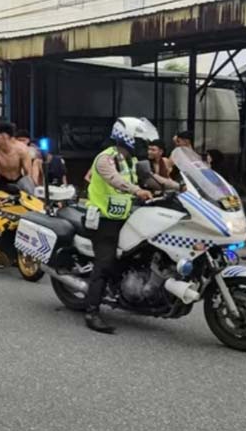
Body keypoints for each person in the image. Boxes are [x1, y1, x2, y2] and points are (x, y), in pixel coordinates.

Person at [84, 117, 157, 334]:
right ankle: (92, 312)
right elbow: (116, 180)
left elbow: (152, 178)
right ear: (127, 138)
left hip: (124, 218)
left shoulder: (130, 161)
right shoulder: (104, 159)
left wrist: (181, 187)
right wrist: (137, 191)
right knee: (104, 263)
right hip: (103, 220)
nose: (144, 146)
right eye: (140, 141)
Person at [0, 123, 33, 196]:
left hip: (18, 180)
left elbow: (28, 173)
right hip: (2, 180)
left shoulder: (22, 149)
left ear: (4, 136)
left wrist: (29, 190)